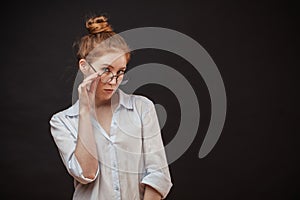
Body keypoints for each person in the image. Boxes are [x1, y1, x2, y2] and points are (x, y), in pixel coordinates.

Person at [49, 15, 173, 200]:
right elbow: (87, 174)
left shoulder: (142, 108)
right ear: (84, 66)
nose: (113, 81)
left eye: (120, 72)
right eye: (106, 70)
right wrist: (84, 111)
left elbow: (158, 174)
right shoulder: (62, 121)